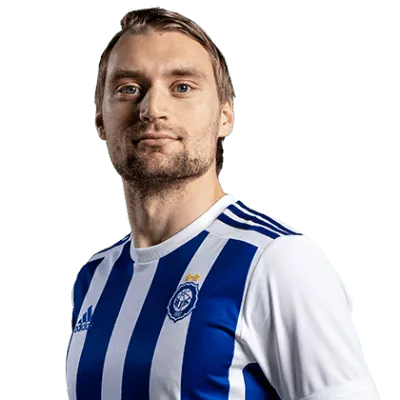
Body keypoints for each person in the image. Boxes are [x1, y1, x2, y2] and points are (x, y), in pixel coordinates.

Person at [65, 7, 380, 400]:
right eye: (128, 88)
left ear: (225, 117)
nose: (152, 109)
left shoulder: (274, 261)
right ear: (100, 120)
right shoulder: (94, 279)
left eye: (182, 87)